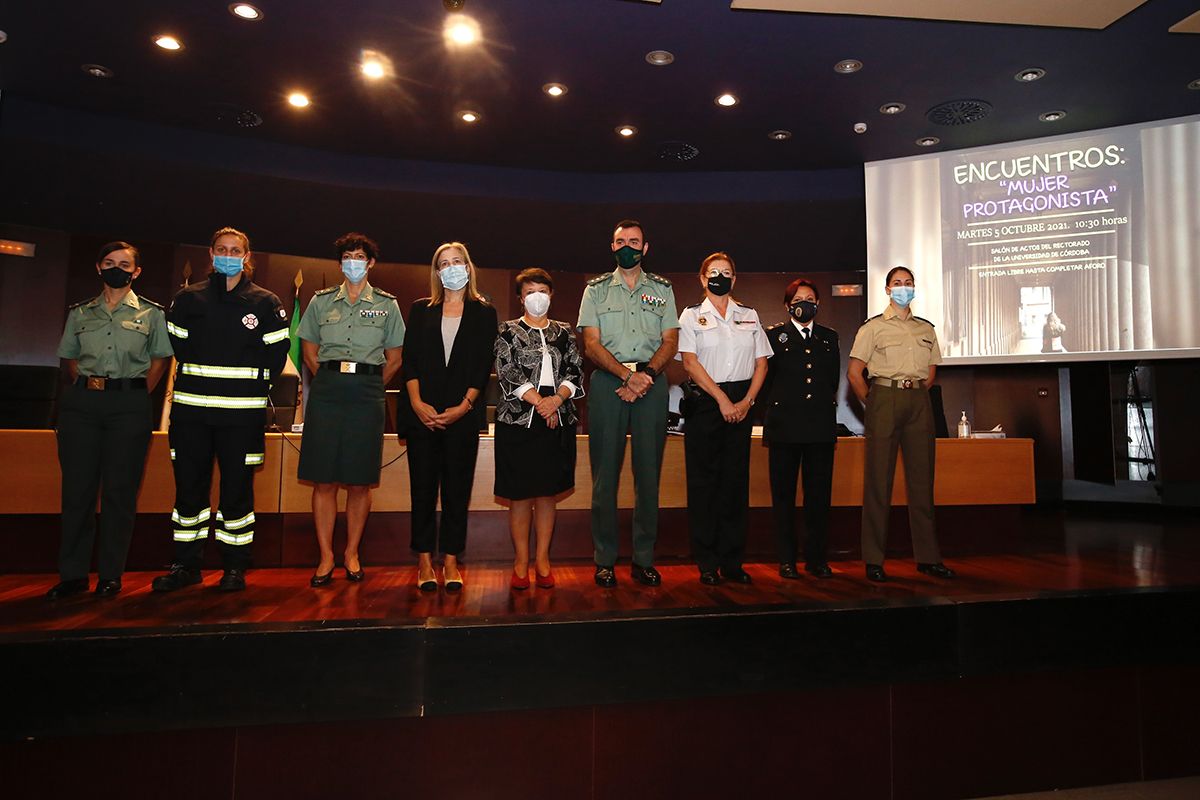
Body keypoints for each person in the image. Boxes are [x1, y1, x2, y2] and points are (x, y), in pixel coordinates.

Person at [152, 226, 290, 593]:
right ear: (211, 255)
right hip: (191, 415)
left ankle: (235, 566)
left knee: (237, 493)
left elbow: (277, 357)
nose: (228, 255)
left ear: (247, 257)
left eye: (236, 250)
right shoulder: (187, 299)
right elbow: (177, 348)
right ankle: (186, 564)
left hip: (241, 419)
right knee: (189, 493)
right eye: (221, 249)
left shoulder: (266, 303)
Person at [47, 242, 173, 599]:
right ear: (98, 268)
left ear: (137, 272)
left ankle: (110, 575)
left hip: (129, 406)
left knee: (120, 493)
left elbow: (160, 360)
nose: (116, 268)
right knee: (77, 492)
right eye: (109, 262)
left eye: (124, 264)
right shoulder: (80, 313)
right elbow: (70, 361)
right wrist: (92, 388)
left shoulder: (152, 314)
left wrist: (132, 393)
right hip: (82, 404)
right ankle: (72, 575)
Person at [297, 233, 405, 587]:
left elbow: (395, 358)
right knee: (324, 478)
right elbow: (309, 352)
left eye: (360, 256)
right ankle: (326, 555)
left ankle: (352, 553)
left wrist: (369, 381)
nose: (353, 262)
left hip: (367, 391)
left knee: (360, 480)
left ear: (371, 263)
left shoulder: (388, 305)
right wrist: (330, 379)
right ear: (340, 262)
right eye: (347, 256)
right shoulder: (320, 301)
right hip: (327, 391)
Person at [577, 219, 679, 588]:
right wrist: (626, 376)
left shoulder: (663, 290)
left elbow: (670, 340)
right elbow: (590, 342)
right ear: (612, 246)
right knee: (605, 477)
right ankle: (604, 559)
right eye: (621, 241)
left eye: (634, 241)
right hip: (609, 384)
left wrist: (645, 376)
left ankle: (644, 559)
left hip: (651, 384)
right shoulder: (596, 290)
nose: (627, 247)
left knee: (648, 476)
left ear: (645, 247)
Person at [400, 242, 498, 592]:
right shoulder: (420, 310)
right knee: (422, 491)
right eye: (445, 263)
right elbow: (408, 360)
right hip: (422, 415)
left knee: (458, 492)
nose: (452, 267)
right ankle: (425, 560)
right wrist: (416, 402)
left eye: (458, 261)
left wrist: (465, 406)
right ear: (436, 271)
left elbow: (483, 365)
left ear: (468, 268)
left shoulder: (484, 312)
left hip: (463, 415)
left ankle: (452, 559)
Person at [847, 266, 955, 582]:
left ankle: (928, 557)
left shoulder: (926, 329)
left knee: (922, 483)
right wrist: (875, 403)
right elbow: (855, 373)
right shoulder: (873, 328)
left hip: (919, 401)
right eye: (897, 283)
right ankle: (874, 559)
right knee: (878, 482)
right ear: (887, 289)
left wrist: (916, 391)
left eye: (908, 283)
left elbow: (932, 368)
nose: (903, 288)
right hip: (884, 396)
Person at [677, 252, 770, 585]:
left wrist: (746, 402)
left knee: (734, 484)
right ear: (702, 279)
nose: (720, 277)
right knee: (704, 485)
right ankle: (707, 562)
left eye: (726, 272)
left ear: (735, 279)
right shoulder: (690, 316)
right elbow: (689, 363)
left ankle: (733, 561)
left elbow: (762, 364)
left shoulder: (749, 315)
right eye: (713, 272)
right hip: (706, 405)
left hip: (743, 405)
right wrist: (723, 401)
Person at [493, 268, 584, 590]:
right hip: (519, 420)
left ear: (551, 295)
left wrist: (556, 401)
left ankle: (543, 559)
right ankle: (521, 561)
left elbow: (575, 369)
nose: (537, 297)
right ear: (520, 298)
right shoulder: (507, 331)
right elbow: (508, 372)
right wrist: (538, 401)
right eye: (530, 291)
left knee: (547, 495)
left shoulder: (565, 331)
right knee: (519, 496)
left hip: (557, 418)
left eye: (542, 291)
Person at [762, 278, 840, 580]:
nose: (803, 303)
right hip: (784, 427)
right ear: (787, 305)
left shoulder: (828, 337)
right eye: (797, 299)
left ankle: (817, 558)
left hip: (819, 427)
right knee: (783, 497)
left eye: (809, 298)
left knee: (818, 497)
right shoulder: (774, 338)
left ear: (817, 304)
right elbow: (767, 380)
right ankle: (787, 559)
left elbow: (832, 381)